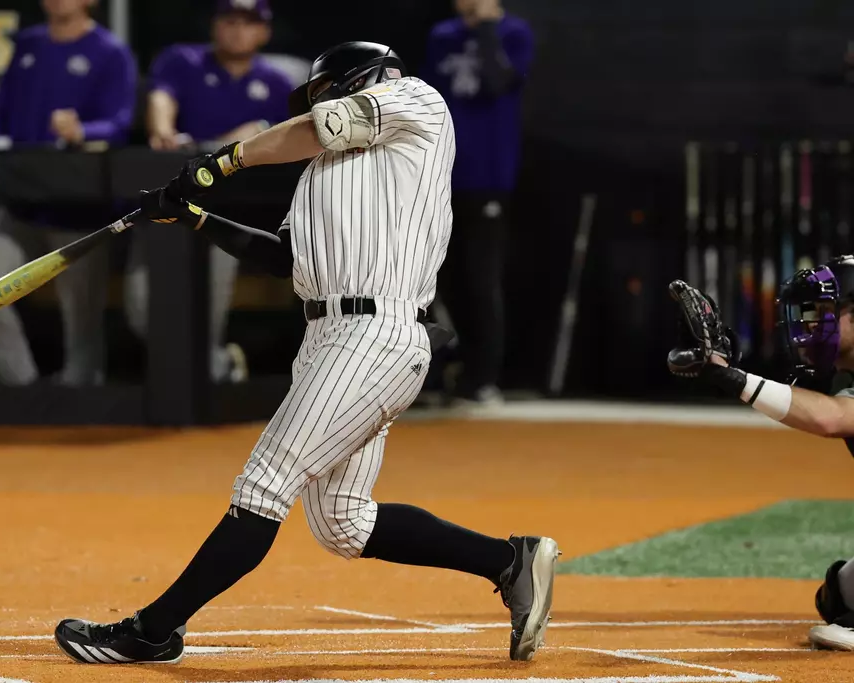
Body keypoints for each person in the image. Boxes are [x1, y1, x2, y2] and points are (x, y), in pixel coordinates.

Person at [53, 41, 560, 665]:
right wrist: (194, 216)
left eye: (322, 93)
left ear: (360, 80)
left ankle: (152, 630)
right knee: (343, 522)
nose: (315, 106)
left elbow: (314, 127)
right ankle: (510, 561)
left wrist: (221, 162)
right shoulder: (321, 175)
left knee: (264, 485)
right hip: (329, 337)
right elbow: (286, 259)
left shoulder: (415, 100)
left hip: (373, 333)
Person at [0, 0, 136, 386]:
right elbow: (1, 114)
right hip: (21, 204)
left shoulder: (110, 52)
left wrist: (83, 131)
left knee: (81, 321)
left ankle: (80, 401)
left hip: (79, 209)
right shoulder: (28, 44)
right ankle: (23, 388)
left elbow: (120, 124)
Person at [666, 263, 854, 652]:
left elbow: (832, 418)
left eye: (826, 312)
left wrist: (732, 377)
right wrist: (722, 369)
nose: (812, 326)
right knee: (840, 595)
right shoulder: (844, 377)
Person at [126, 0, 293, 383]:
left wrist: (257, 135)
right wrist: (163, 131)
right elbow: (161, 98)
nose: (237, 30)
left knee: (207, 317)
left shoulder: (276, 82)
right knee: (140, 310)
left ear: (264, 32)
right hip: (169, 203)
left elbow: (293, 138)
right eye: (229, 20)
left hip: (227, 213)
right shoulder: (183, 61)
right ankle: (219, 366)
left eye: (248, 23)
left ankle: (209, 377)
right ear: (215, 25)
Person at [422, 0, 534, 406]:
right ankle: (435, 375)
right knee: (436, 280)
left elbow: (498, 81)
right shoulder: (442, 36)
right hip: (439, 173)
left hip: (488, 176)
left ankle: (482, 377)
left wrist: (486, 29)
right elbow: (427, 98)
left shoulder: (514, 33)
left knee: (480, 279)